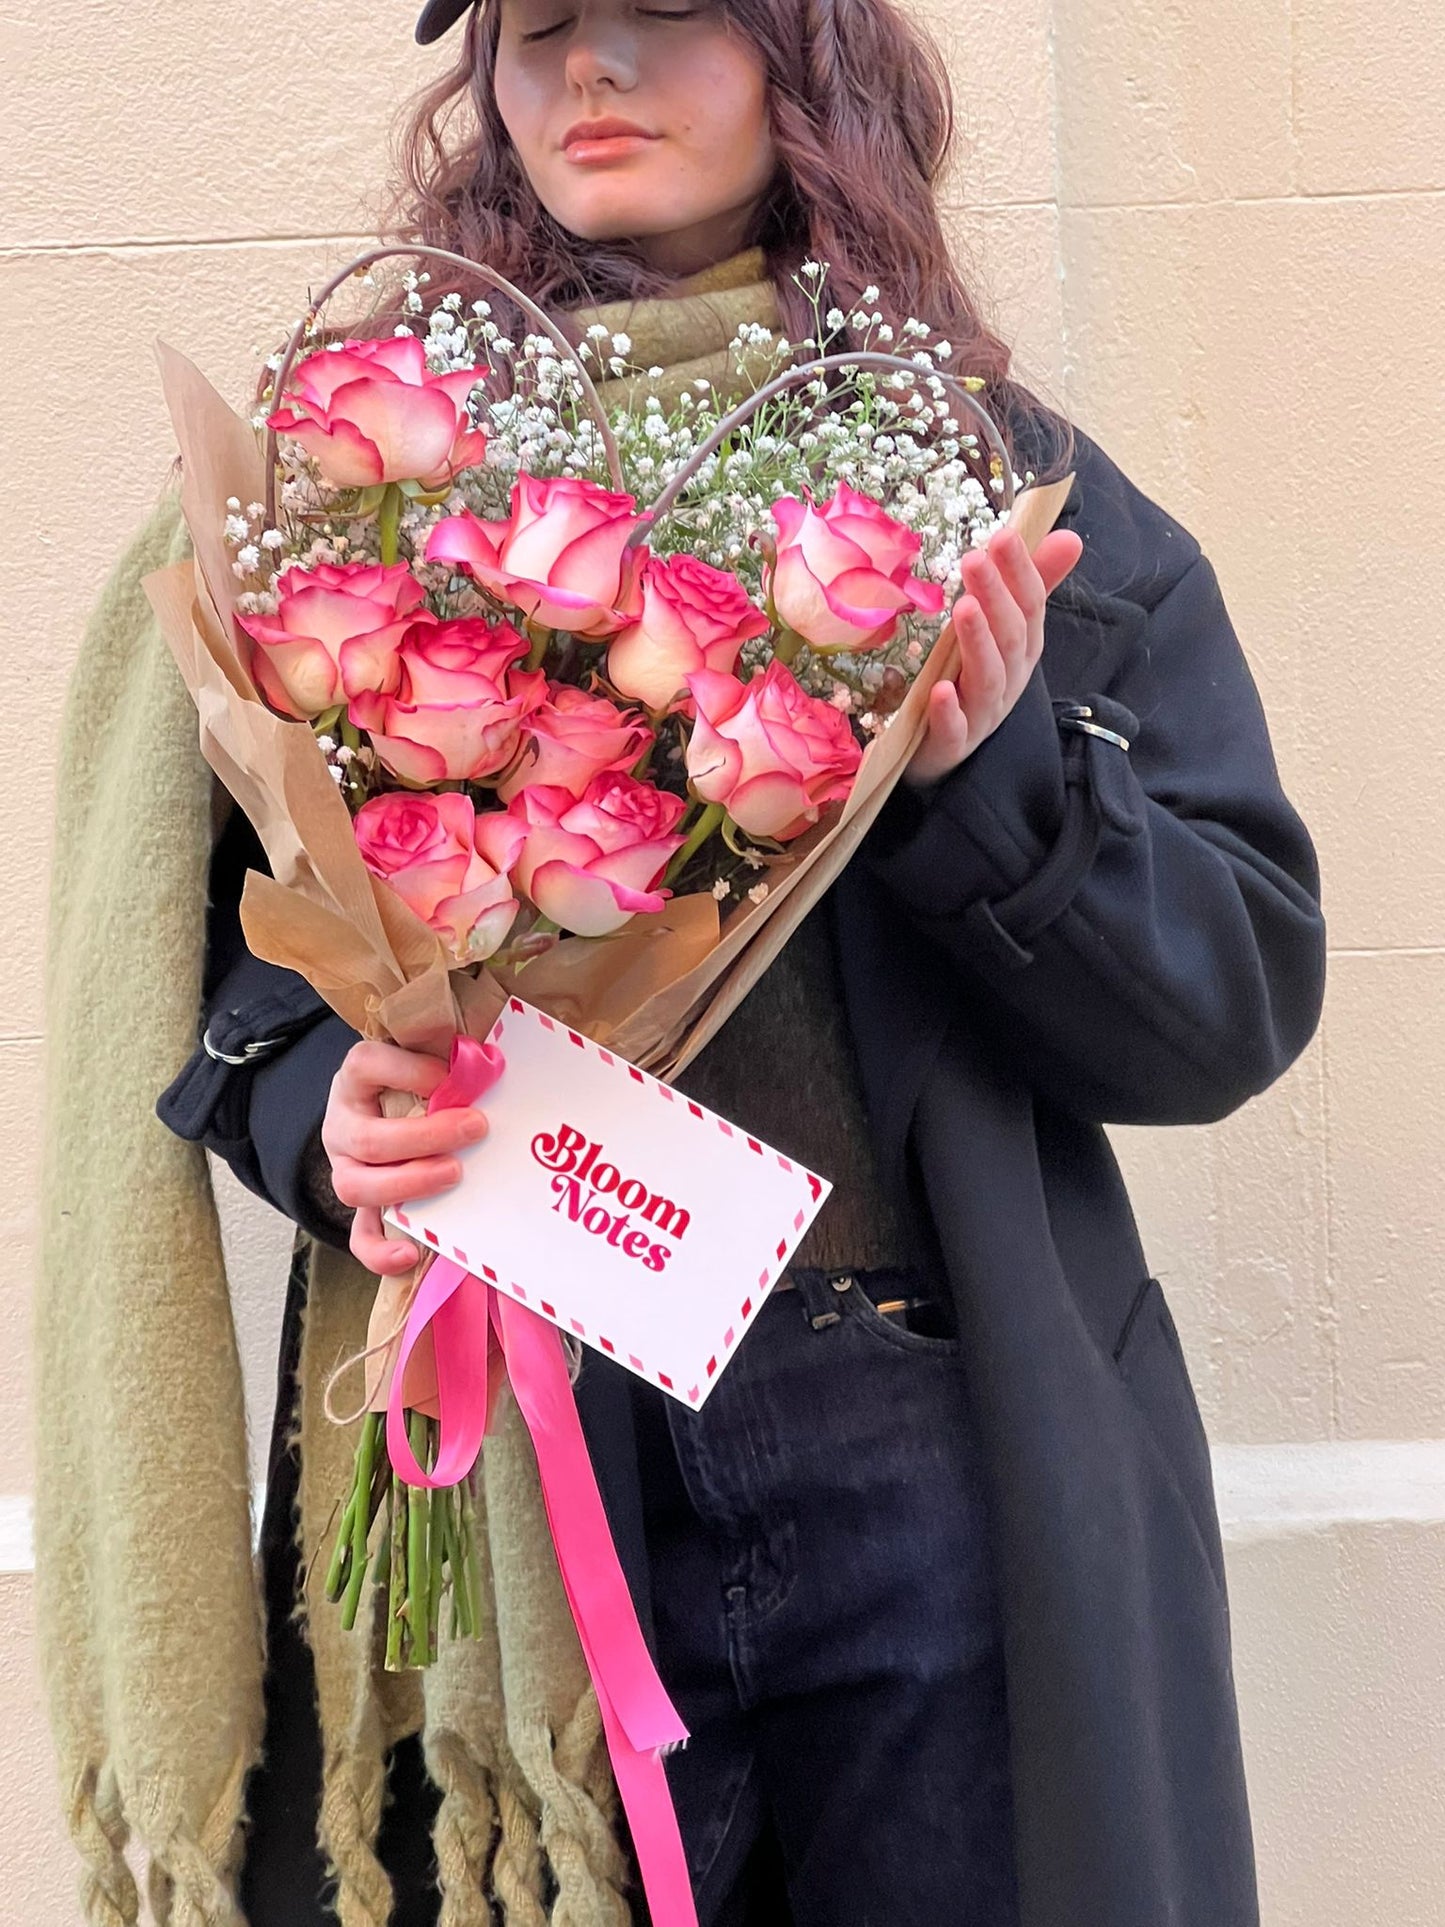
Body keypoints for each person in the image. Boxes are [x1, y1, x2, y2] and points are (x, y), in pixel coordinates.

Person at [155, 0, 1327, 1922]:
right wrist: (316, 1103)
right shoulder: (362, 485)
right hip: (517, 1435)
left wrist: (996, 778)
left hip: (931, 1450)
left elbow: (1224, 1004)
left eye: (661, 17)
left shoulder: (1010, 501)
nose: (589, 74)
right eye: (537, 32)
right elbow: (238, 963)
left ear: (815, 57)